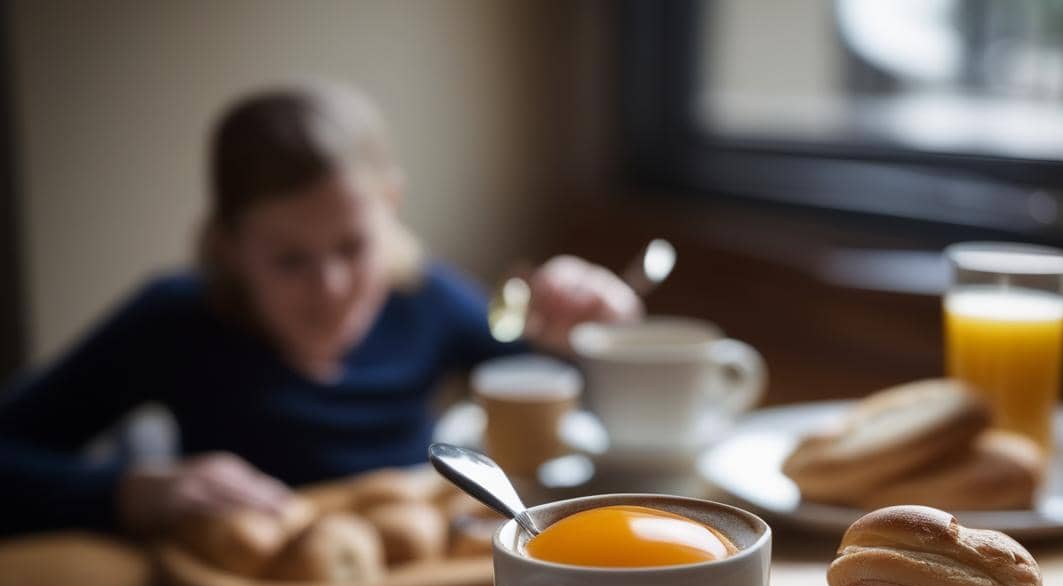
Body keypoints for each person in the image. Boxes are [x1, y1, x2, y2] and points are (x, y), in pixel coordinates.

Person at [0, 82, 642, 538]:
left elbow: (570, 392)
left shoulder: (428, 300)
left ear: (390, 205)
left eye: (353, 247)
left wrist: (605, 338)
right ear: (229, 246)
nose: (332, 287)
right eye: (289, 260)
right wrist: (127, 490)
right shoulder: (173, 321)